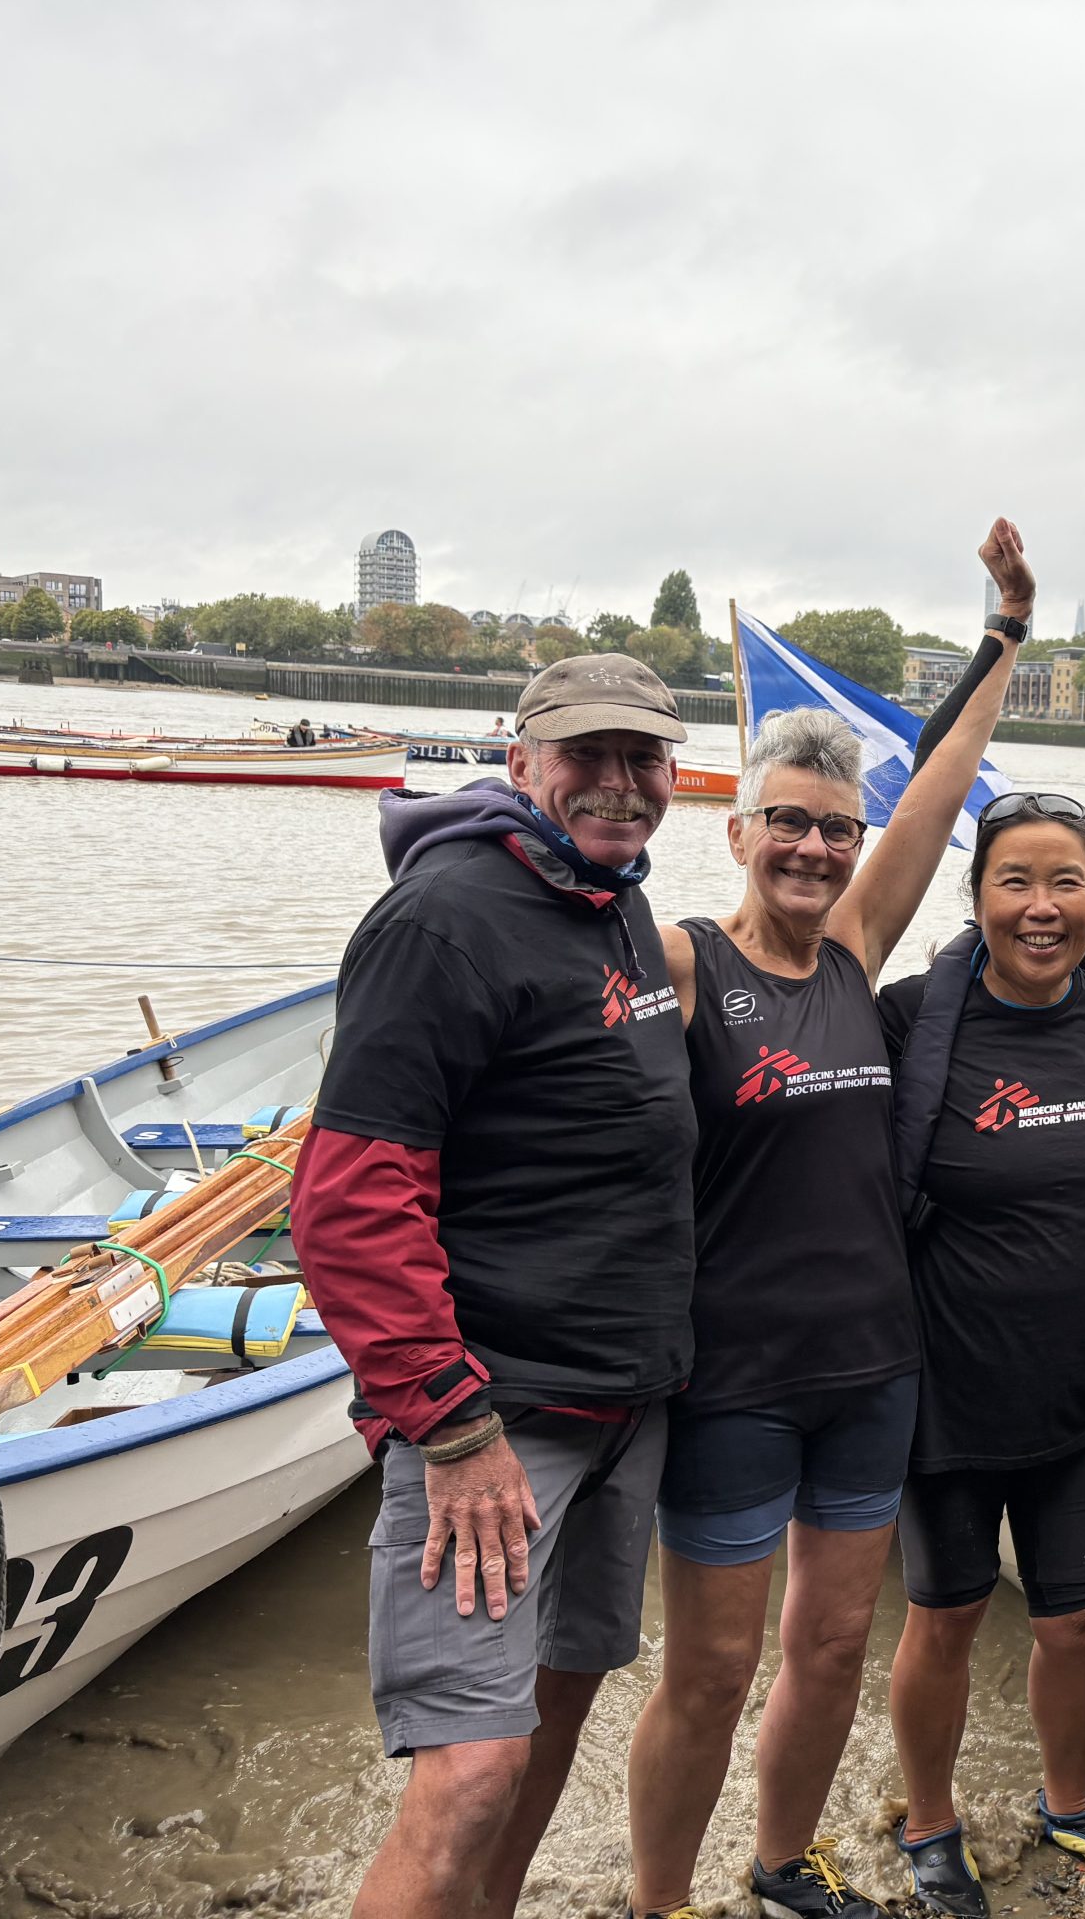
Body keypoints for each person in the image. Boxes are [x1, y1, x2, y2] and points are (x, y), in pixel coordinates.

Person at [625, 521, 1033, 1919]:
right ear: (737, 831)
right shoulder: (682, 963)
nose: (811, 846)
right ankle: (660, 1902)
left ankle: (783, 1864)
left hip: (870, 1369)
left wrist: (1005, 633)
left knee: (836, 1644)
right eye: (786, 822)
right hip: (734, 1379)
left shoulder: (856, 950)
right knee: (710, 1671)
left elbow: (943, 780)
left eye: (833, 829)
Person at [290, 652, 697, 1919]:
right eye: (587, 755)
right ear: (520, 763)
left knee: (552, 1715)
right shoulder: (443, 921)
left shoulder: (612, 898)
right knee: (469, 1773)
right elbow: (348, 1206)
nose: (619, 783)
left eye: (643, 757)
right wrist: (453, 1428)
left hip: (619, 1403)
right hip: (496, 1420)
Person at [874, 793, 1085, 1917]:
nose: (1041, 907)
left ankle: (1069, 1803)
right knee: (945, 1620)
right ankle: (928, 1821)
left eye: (1066, 882)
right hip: (948, 1393)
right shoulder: (912, 1022)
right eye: (1015, 881)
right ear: (975, 898)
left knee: (1081, 1622)